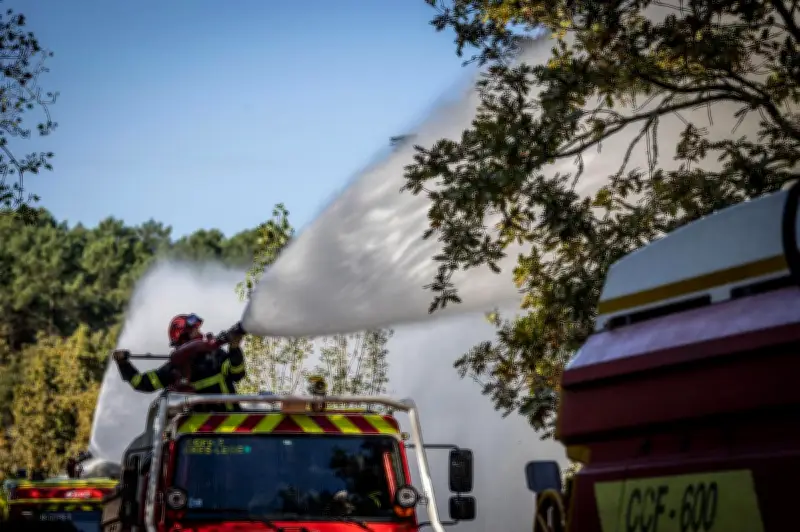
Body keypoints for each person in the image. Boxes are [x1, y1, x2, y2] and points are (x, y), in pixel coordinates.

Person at [113, 313, 246, 410]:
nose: (201, 333)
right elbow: (141, 383)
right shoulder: (175, 368)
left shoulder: (216, 355)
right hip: (198, 430)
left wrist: (234, 349)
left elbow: (237, 374)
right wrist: (123, 364)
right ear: (184, 337)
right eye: (195, 331)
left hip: (232, 422)